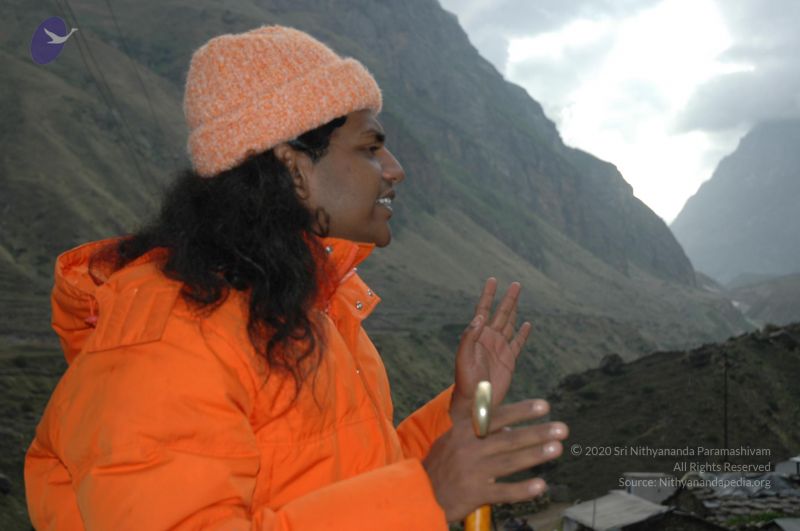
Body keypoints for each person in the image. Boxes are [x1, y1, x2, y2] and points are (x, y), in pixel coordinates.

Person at [24, 25, 569, 529]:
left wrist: (458, 414)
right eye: (371, 147)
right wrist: (427, 494)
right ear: (293, 168)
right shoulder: (166, 338)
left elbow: (361, 482)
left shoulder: (309, 311)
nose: (395, 169)